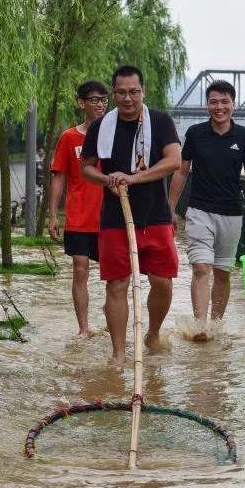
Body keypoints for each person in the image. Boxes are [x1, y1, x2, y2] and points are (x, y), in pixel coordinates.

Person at [81, 65, 181, 366]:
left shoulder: (161, 122)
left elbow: (174, 161)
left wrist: (134, 178)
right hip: (115, 219)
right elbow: (86, 168)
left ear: (143, 92)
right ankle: (118, 353)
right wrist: (107, 179)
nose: (128, 98)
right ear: (114, 94)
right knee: (116, 284)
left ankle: (152, 333)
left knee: (162, 281)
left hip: (156, 216)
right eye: (122, 92)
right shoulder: (101, 127)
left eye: (133, 92)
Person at [169, 79, 245, 341]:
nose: (219, 107)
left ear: (233, 105)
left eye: (224, 102)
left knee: (223, 272)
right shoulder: (195, 133)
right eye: (214, 101)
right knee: (201, 267)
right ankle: (201, 327)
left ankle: (216, 323)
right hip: (199, 210)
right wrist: (170, 208)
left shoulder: (244, 136)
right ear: (207, 105)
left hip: (232, 213)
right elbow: (181, 171)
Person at [49, 80, 109, 336]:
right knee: (80, 269)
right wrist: (53, 214)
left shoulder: (115, 135)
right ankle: (84, 328)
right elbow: (59, 176)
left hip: (110, 217)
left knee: (114, 275)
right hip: (78, 217)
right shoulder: (69, 137)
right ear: (81, 103)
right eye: (94, 99)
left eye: (104, 99)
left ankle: (111, 321)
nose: (100, 105)